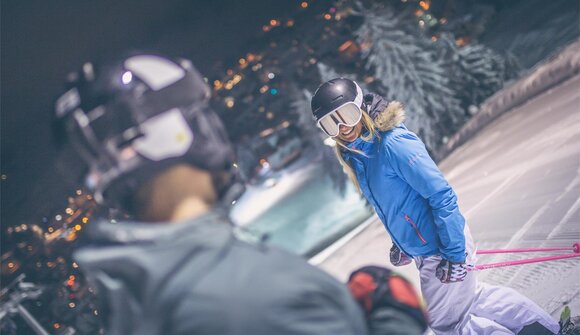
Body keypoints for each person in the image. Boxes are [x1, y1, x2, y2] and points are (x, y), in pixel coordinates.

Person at [53, 54, 370, 335]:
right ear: (176, 134)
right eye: (197, 114)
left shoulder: (131, 303)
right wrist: (394, 315)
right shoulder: (253, 296)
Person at [310, 77, 562, 335]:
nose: (342, 127)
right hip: (431, 246)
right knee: (475, 299)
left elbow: (441, 195)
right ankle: (548, 329)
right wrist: (403, 242)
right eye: (331, 122)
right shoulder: (361, 154)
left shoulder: (391, 144)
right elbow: (402, 203)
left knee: (448, 326)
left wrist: (454, 254)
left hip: (441, 245)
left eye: (347, 114)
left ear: (361, 106)